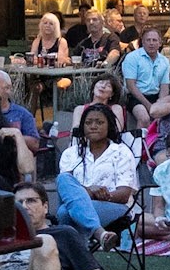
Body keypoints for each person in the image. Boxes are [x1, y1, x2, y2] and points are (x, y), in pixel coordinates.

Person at [55, 103, 138, 242]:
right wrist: (90, 191)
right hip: (74, 206)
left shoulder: (121, 152)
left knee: (65, 213)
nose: (93, 126)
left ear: (109, 125)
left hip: (115, 207)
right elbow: (64, 190)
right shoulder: (71, 153)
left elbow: (124, 195)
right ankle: (99, 233)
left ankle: (73, 257)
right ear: (82, 126)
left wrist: (95, 195)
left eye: (99, 122)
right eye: (88, 122)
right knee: (63, 178)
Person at [122, 27, 170, 130]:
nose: (151, 43)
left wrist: (160, 105)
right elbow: (131, 86)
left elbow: (164, 87)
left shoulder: (164, 61)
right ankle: (140, 145)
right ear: (142, 42)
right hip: (136, 97)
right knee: (144, 118)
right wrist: (149, 106)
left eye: (154, 40)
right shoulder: (132, 57)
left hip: (156, 96)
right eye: (148, 40)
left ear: (160, 43)